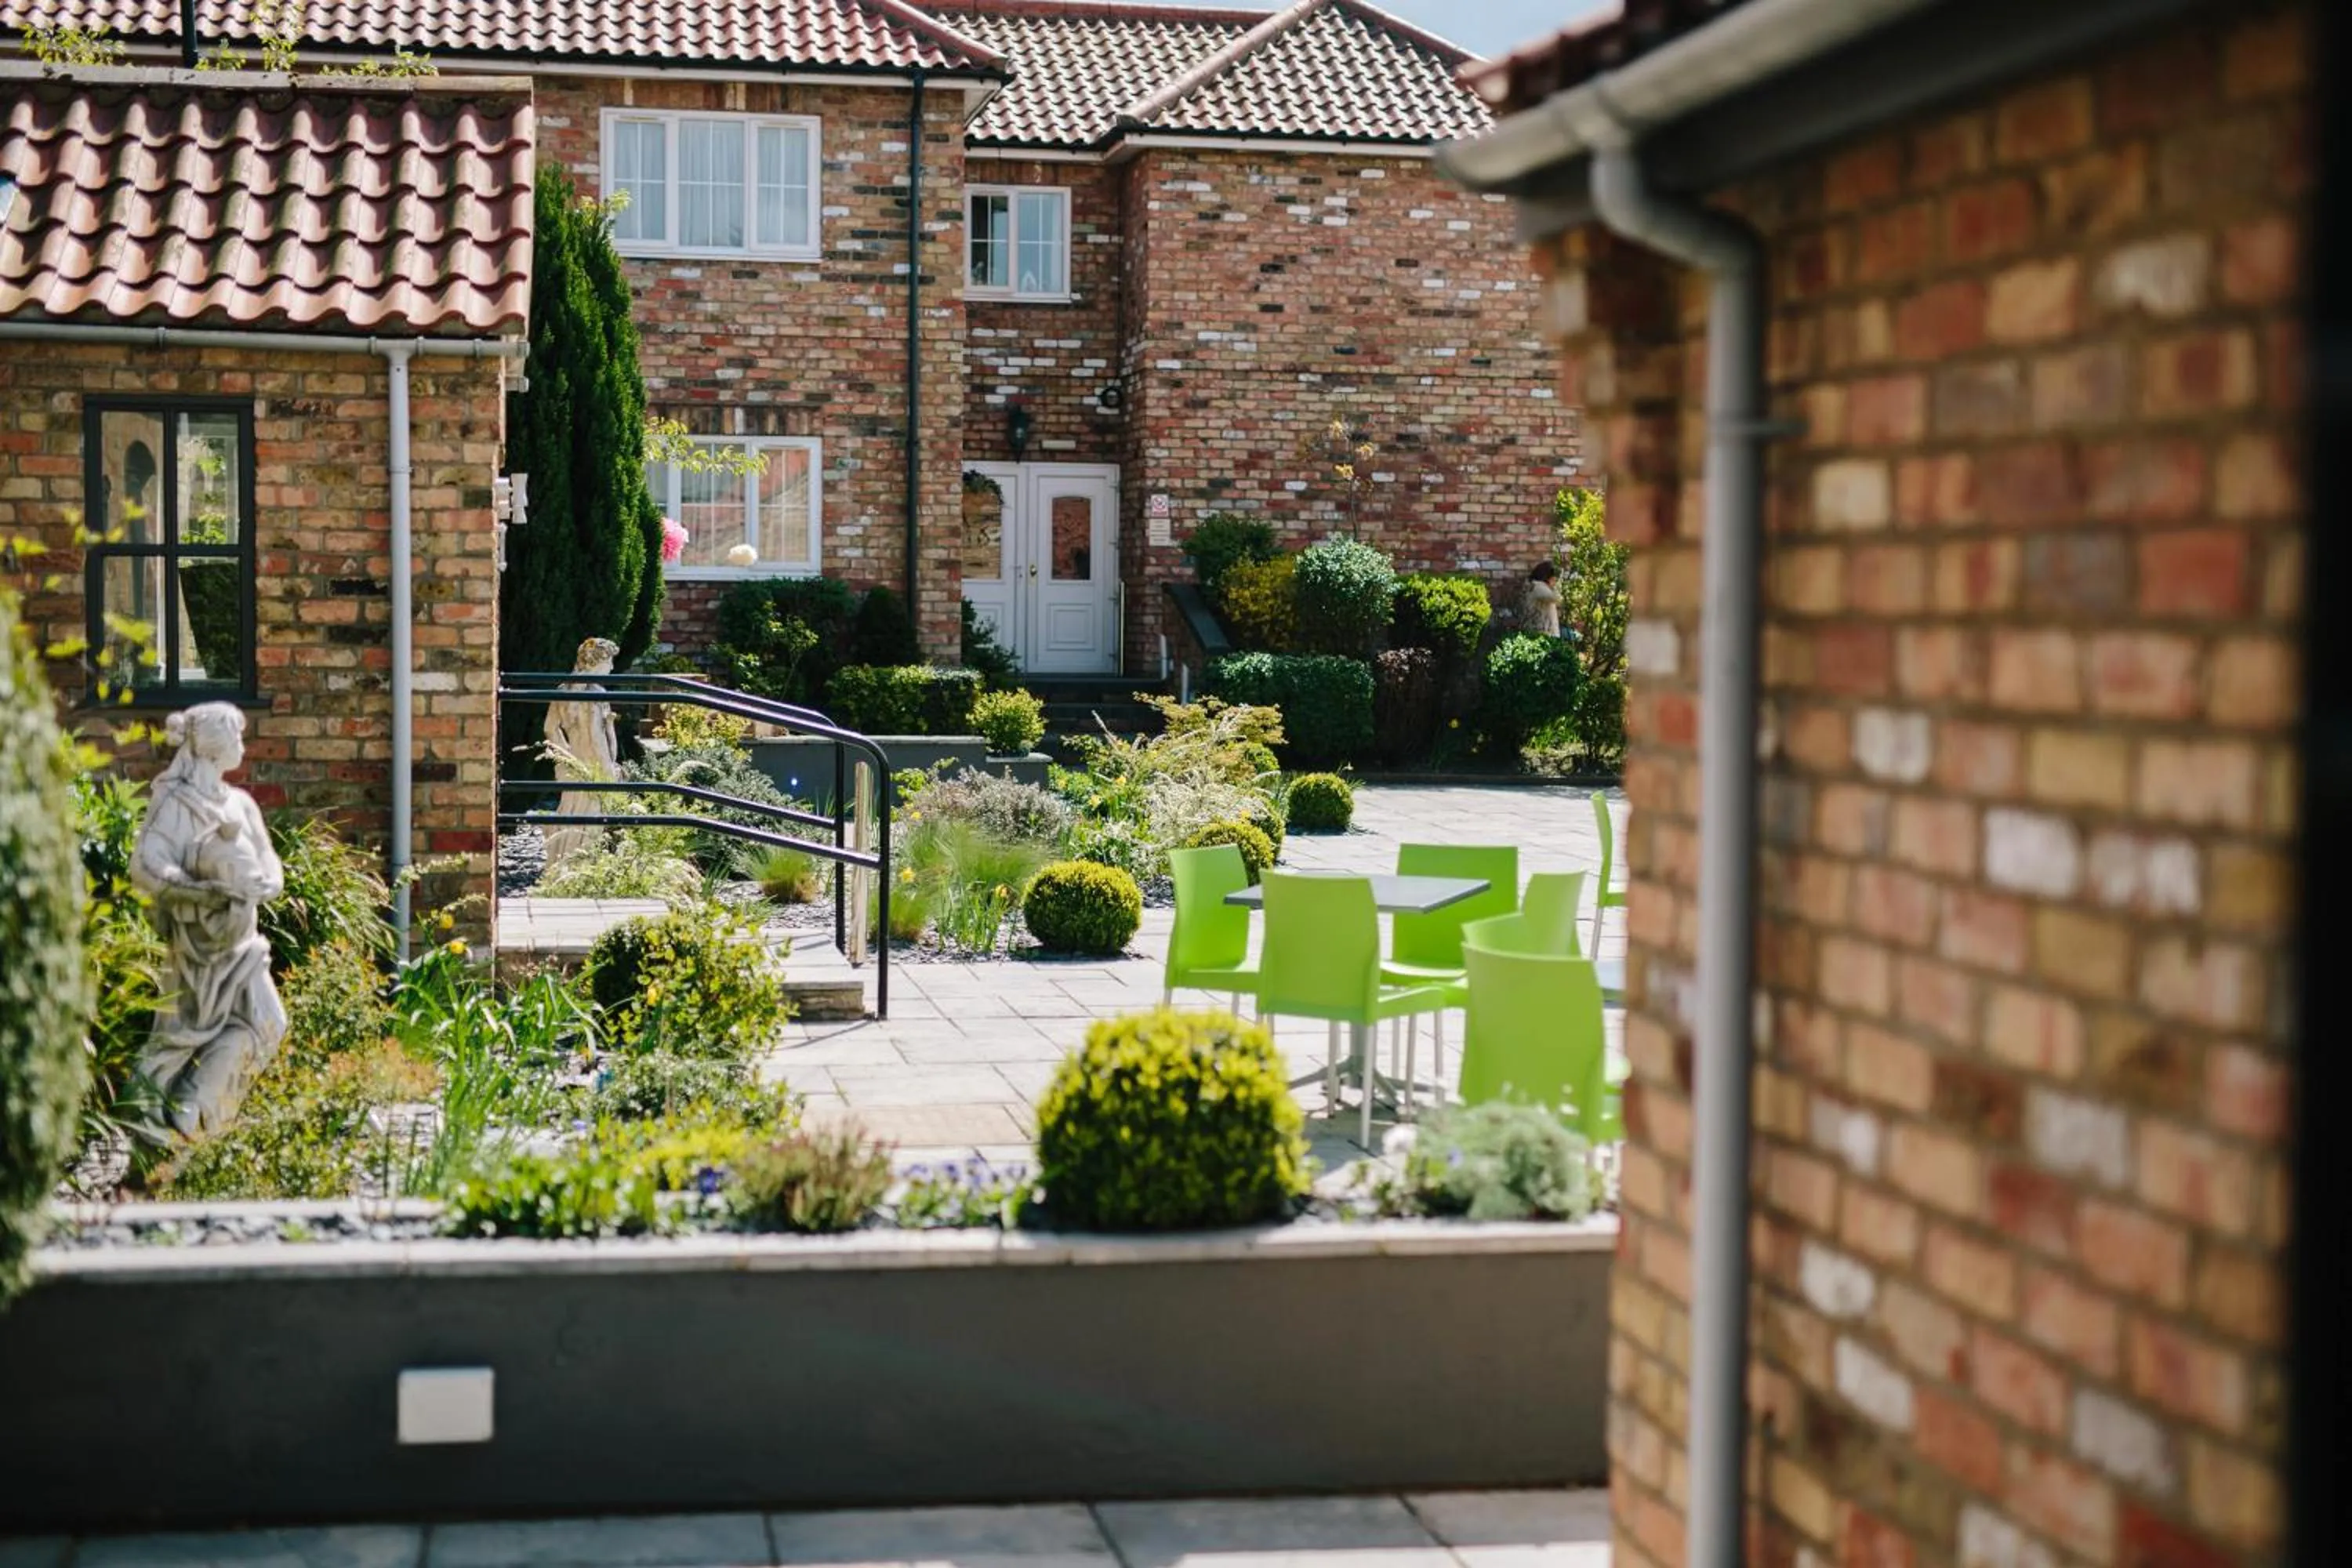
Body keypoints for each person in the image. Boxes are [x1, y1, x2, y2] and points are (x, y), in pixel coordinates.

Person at [131, 702, 289, 1138]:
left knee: (269, 1025)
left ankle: (195, 1109)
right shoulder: (175, 803)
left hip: (242, 942)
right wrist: (197, 889)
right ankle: (146, 1122)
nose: (243, 744)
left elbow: (270, 862)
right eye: (237, 736)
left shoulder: (241, 804)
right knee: (180, 1038)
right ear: (216, 747)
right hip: (196, 946)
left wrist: (263, 885)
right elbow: (147, 864)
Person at [1527, 561, 1564, 637]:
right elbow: (1557, 598)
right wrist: (1554, 586)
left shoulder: (1539, 587)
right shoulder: (1539, 587)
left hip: (1544, 630)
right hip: (1543, 631)